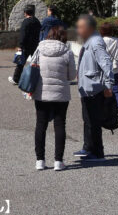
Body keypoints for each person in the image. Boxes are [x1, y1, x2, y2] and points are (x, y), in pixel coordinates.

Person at [32, 26, 76, 171]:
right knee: (59, 125)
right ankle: (58, 161)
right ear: (63, 37)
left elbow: (32, 66)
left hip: (41, 92)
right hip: (60, 93)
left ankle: (40, 160)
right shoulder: (67, 51)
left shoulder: (39, 49)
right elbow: (71, 76)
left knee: (41, 125)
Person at [73, 14, 114, 161]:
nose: (78, 30)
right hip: (87, 86)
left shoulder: (96, 42)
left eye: (81, 27)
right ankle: (88, 148)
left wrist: (109, 85)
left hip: (94, 87)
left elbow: (107, 64)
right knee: (88, 119)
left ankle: (96, 152)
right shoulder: (89, 41)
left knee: (93, 121)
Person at [10, 4, 41, 85]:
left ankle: (16, 79)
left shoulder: (26, 22)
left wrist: (20, 45)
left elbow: (23, 34)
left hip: (26, 45)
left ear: (26, 13)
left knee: (20, 63)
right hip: (35, 44)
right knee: (37, 62)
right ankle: (39, 78)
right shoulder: (37, 21)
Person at [99, 23, 118, 112]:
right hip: (115, 67)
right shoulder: (116, 40)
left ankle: (105, 108)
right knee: (115, 87)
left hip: (104, 68)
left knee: (104, 89)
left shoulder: (100, 41)